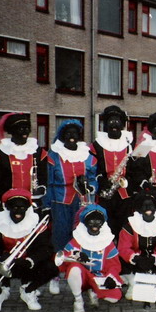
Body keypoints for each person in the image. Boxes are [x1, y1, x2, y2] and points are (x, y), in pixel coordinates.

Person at [0, 189, 58, 312]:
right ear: (8, 208)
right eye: (14, 207)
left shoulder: (36, 223)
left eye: (22, 207)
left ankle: (28, 290)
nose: (18, 211)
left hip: (26, 266)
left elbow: (46, 248)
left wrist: (30, 261)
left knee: (51, 267)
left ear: (28, 208)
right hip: (0, 265)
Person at [44, 120, 98, 294]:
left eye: (75, 133)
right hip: (61, 202)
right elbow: (48, 182)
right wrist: (47, 203)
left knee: (82, 238)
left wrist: (90, 188)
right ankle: (56, 275)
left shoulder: (88, 156)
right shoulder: (53, 157)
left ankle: (80, 273)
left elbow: (93, 179)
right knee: (60, 238)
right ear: (62, 136)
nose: (72, 137)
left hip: (82, 202)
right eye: (68, 133)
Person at [59, 205, 123, 312]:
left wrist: (111, 277)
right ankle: (78, 301)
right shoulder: (78, 238)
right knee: (74, 269)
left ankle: (93, 291)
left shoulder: (107, 240)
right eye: (91, 221)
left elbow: (114, 265)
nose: (95, 224)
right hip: (82, 277)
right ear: (85, 222)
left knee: (114, 298)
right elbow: (63, 261)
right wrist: (76, 255)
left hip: (99, 277)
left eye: (98, 221)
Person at [118, 190, 156, 300]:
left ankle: (154, 281)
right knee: (120, 260)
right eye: (144, 206)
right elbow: (123, 247)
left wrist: (155, 258)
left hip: (155, 261)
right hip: (136, 260)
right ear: (139, 208)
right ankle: (132, 284)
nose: (148, 209)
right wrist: (134, 258)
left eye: (151, 205)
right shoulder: (130, 226)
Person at [0, 112, 48, 212]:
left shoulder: (38, 152)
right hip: (7, 203)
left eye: (27, 128)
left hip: (33, 202)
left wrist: (42, 187)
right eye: (20, 128)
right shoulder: (0, 153)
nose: (25, 131)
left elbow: (43, 175)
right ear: (12, 131)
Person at [90, 105, 134, 238]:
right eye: (110, 121)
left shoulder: (128, 145)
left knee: (123, 226)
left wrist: (129, 182)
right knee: (106, 226)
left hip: (123, 194)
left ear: (122, 125)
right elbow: (92, 167)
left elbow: (133, 169)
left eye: (117, 122)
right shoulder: (97, 145)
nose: (114, 125)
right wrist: (102, 181)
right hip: (105, 192)